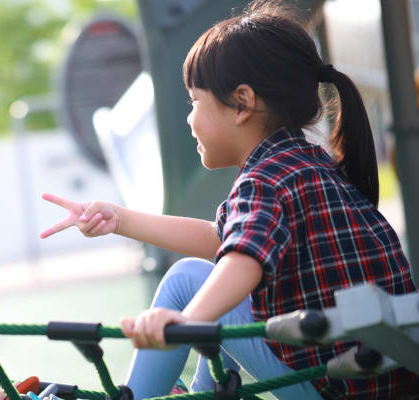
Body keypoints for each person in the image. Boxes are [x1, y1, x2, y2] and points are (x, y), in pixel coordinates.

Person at [39, 1, 418, 398]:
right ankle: (209, 390)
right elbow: (225, 241)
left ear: (242, 103)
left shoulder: (266, 179)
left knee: (189, 278)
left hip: (334, 389)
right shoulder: (305, 164)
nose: (189, 117)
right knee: (213, 278)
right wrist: (118, 219)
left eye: (195, 101)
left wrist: (183, 324)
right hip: (383, 380)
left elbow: (240, 260)